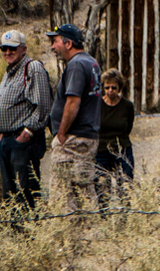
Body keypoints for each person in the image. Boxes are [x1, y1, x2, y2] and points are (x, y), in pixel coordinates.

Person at [46, 23, 102, 214]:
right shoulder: (91, 62)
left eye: (56, 41)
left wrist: (61, 134)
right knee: (84, 192)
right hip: (86, 137)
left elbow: (73, 102)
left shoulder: (76, 64)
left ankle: (70, 240)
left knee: (64, 195)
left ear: (68, 43)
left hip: (73, 140)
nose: (53, 47)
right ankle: (89, 236)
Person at [0, 30, 53, 215]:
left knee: (26, 191)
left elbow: (44, 106)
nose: (7, 52)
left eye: (12, 48)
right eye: (4, 48)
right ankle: (18, 237)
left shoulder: (32, 68)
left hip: (22, 142)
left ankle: (32, 235)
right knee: (9, 195)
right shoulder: (9, 73)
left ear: (23, 49)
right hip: (7, 141)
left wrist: (26, 133)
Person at [95, 68, 137, 203]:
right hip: (101, 152)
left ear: (119, 88)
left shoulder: (127, 106)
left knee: (125, 189)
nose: (110, 91)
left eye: (114, 87)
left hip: (122, 151)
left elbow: (128, 127)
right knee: (102, 190)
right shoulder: (97, 105)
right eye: (107, 87)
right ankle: (105, 220)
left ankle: (123, 221)